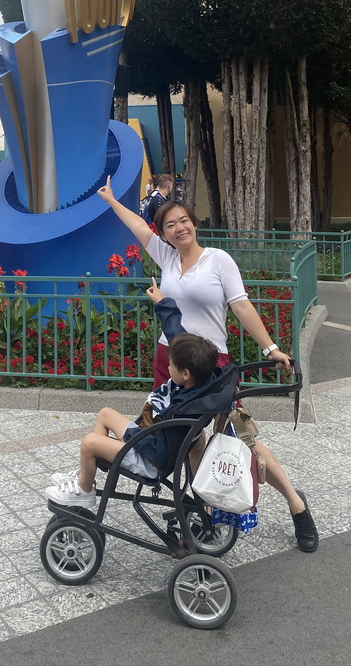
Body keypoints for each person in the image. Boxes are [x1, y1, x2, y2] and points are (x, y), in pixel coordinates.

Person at [96, 177, 319, 553]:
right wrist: (110, 200)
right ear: (164, 234)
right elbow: (137, 225)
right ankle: (200, 512)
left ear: (194, 223)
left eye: (184, 220)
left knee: (240, 443)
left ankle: (297, 505)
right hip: (170, 362)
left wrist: (270, 349)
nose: (179, 228)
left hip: (212, 366)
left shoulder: (218, 260)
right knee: (187, 441)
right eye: (170, 224)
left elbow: (242, 306)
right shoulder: (165, 257)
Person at [45, 304, 226, 509]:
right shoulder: (201, 384)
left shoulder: (180, 407)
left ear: (185, 373)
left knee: (89, 443)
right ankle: (84, 473)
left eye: (171, 365)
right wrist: (163, 303)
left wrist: (132, 436)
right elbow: (178, 337)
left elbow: (159, 444)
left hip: (150, 460)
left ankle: (84, 489)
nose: (168, 367)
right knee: (105, 413)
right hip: (150, 441)